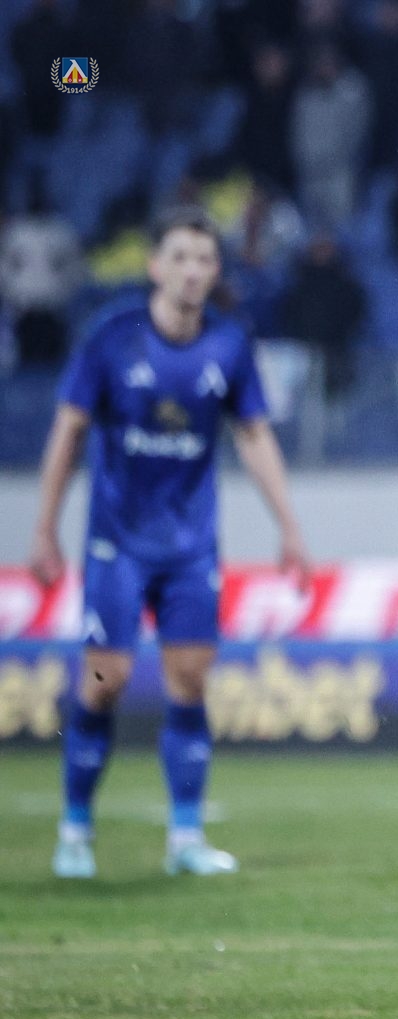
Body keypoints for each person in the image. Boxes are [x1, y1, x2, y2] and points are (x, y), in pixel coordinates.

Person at [30, 207, 311, 880]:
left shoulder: (230, 344)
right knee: (106, 680)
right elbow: (69, 430)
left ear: (216, 271)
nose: (192, 270)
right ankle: (75, 829)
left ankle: (185, 836)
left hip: (190, 548)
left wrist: (289, 526)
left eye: (204, 259)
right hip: (117, 544)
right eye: (180, 257)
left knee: (189, 676)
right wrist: (44, 525)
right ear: (155, 265)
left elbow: (253, 435)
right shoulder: (112, 338)